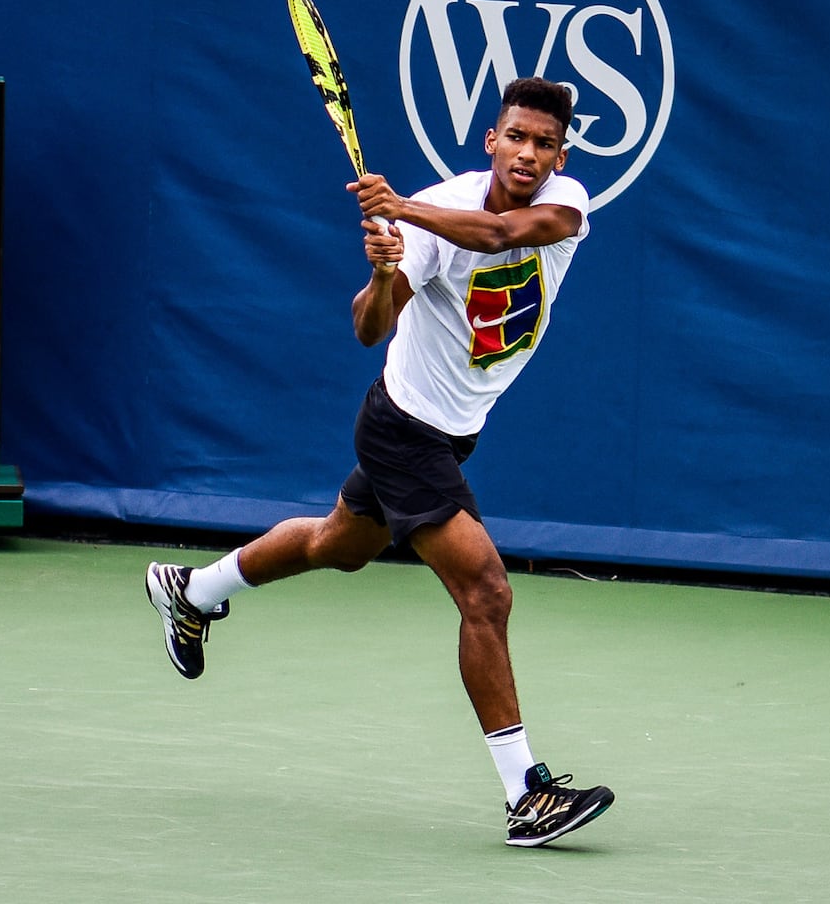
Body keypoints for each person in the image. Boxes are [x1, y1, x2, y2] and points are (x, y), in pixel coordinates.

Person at [144, 77, 614, 848]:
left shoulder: (566, 206)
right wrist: (387, 274)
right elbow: (369, 329)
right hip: (403, 430)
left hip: (455, 429)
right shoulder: (433, 214)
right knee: (485, 592)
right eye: (515, 137)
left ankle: (194, 590)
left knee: (342, 544)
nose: (528, 153)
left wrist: (400, 210)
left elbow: (499, 239)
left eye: (543, 144)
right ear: (490, 141)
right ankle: (526, 794)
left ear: (560, 156)